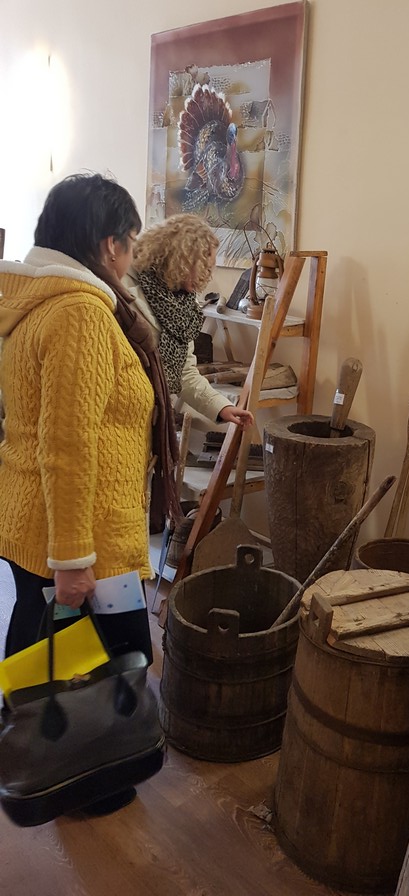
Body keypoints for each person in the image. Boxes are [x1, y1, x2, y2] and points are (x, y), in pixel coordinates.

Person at [0, 172, 181, 813]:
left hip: (39, 522)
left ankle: (51, 766)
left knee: (46, 652)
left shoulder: (38, 302)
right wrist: (73, 560)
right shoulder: (80, 313)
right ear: (110, 245)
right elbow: (68, 445)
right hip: (86, 538)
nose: (131, 258)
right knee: (112, 657)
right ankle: (84, 777)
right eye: (130, 242)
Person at [124, 213, 254, 430]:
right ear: (180, 259)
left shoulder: (183, 303)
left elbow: (185, 373)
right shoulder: (123, 285)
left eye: (210, 269)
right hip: (120, 411)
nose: (207, 276)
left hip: (151, 418)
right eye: (203, 267)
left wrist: (222, 407)